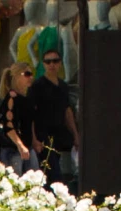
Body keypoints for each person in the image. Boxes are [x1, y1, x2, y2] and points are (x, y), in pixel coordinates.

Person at [24, 47, 76, 185]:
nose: (51, 64)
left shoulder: (63, 86)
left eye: (55, 61)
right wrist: (34, 139)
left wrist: (76, 135)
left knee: (53, 171)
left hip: (59, 135)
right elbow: (30, 114)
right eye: (48, 62)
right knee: (53, 174)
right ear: (43, 64)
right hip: (43, 136)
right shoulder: (37, 86)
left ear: (60, 63)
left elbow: (67, 111)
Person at [0, 60, 37, 172]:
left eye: (31, 74)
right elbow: (8, 125)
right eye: (27, 74)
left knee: (34, 182)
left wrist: (34, 141)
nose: (30, 77)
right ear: (17, 76)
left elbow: (29, 122)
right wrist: (20, 145)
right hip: (13, 149)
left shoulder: (27, 98)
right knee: (15, 184)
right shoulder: (11, 98)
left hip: (28, 147)